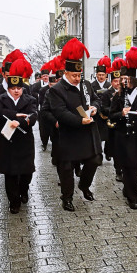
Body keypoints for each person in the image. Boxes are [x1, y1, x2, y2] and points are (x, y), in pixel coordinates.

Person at [48, 39, 101, 211]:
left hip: (88, 132)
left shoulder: (85, 85)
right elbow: (60, 112)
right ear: (66, 73)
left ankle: (84, 186)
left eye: (79, 75)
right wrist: (79, 120)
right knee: (66, 168)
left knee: (95, 160)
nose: (78, 79)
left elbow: (95, 99)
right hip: (69, 135)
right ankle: (67, 197)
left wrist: (94, 108)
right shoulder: (57, 90)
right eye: (74, 76)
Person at [109, 47, 137, 210]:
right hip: (123, 136)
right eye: (123, 78)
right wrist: (121, 113)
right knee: (127, 166)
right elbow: (111, 114)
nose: (124, 81)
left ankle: (128, 189)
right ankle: (133, 197)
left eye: (127, 78)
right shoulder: (118, 95)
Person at [0, 60, 37, 213]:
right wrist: (14, 115)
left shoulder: (30, 100)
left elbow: (34, 115)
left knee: (27, 173)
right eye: (13, 88)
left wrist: (21, 122)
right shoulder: (0, 99)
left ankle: (24, 190)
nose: (16, 91)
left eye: (19, 88)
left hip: (24, 142)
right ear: (8, 89)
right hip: (7, 142)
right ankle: (14, 202)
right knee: (10, 174)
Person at [101, 61, 123, 181]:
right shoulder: (106, 93)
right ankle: (118, 170)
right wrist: (112, 110)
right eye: (115, 81)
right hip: (112, 124)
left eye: (119, 81)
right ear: (112, 82)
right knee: (115, 148)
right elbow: (103, 108)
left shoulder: (125, 93)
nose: (117, 83)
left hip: (124, 124)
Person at [91, 56, 112, 160]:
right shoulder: (92, 85)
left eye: (103, 75)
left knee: (108, 135)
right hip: (97, 114)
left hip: (107, 113)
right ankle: (98, 154)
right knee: (97, 135)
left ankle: (108, 153)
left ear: (106, 75)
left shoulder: (109, 85)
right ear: (96, 75)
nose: (101, 77)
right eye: (99, 75)